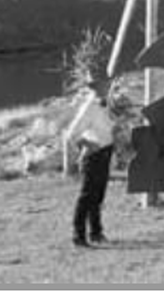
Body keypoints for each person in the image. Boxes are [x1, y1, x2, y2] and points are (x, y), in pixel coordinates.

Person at [63, 78, 116, 247]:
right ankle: (78, 236)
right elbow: (71, 135)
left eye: (109, 83)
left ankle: (96, 232)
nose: (109, 86)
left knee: (98, 196)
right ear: (96, 88)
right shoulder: (89, 107)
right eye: (105, 84)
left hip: (106, 152)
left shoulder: (106, 103)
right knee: (87, 197)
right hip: (93, 156)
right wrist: (88, 144)